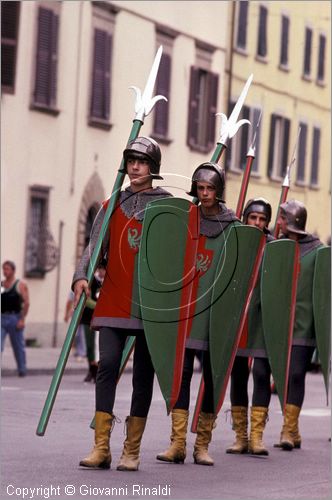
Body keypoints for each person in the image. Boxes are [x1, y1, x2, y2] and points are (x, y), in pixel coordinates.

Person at [72, 136, 172, 471]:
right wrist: (81, 276)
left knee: (143, 376)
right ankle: (101, 448)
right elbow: (93, 247)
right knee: (108, 367)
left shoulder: (168, 206)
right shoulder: (111, 203)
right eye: (131, 161)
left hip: (150, 305)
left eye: (141, 162)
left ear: (152, 168)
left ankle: (132, 450)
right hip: (114, 298)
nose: (135, 167)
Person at [157, 162, 240, 466]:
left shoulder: (232, 226)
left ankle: (201, 444)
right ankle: (177, 443)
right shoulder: (186, 219)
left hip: (215, 312)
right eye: (201, 188)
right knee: (182, 376)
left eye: (210, 189)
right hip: (187, 308)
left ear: (219, 191)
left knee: (213, 379)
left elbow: (236, 270)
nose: (204, 194)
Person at [274, 199, 324, 451]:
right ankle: (292, 429)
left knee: (296, 374)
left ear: (291, 221)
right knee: (282, 377)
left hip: (304, 324)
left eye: (281, 218)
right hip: (280, 324)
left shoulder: (317, 251)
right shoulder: (277, 246)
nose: (278, 222)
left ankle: (288, 428)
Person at [226, 198, 274, 456]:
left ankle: (257, 436)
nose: (257, 223)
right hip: (240, 318)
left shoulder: (275, 248)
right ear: (245, 218)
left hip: (263, 319)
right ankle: (240, 436)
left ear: (267, 222)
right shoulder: (234, 243)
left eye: (262, 219)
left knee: (261, 374)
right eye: (253, 218)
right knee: (237, 375)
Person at [1, 260, 30, 377]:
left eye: (7, 269)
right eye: (3, 269)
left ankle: (22, 369)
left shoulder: (20, 285)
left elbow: (27, 303)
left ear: (13, 270)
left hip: (15, 318)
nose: (5, 271)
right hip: (2, 318)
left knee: (18, 346)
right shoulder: (2, 285)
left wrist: (22, 319)